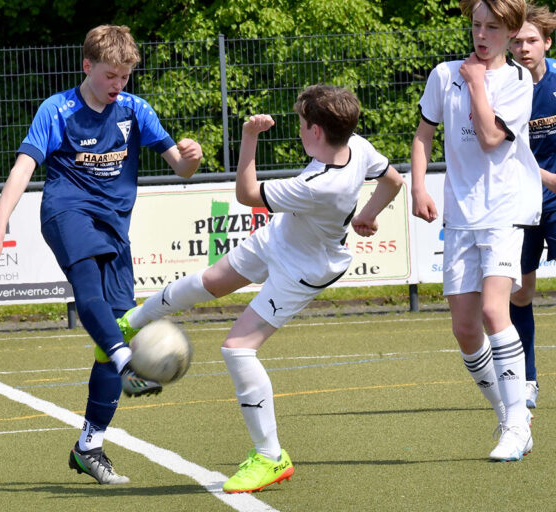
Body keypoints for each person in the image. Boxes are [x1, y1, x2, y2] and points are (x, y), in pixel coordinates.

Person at [118, 85, 404, 493]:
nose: (299, 130)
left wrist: (249, 136)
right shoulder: (356, 145)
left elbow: (246, 194)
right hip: (282, 238)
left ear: (317, 131)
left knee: (237, 347)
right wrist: (368, 216)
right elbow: (392, 180)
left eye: (303, 124)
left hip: (304, 268)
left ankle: (270, 457)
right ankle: (132, 322)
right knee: (210, 281)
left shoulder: (320, 185)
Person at [0, 25, 202, 485]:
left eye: (125, 76)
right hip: (66, 210)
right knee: (92, 298)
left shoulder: (137, 110)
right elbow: (24, 168)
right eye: (110, 76)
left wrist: (192, 157)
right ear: (87, 66)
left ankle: (89, 444)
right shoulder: (56, 109)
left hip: (115, 228)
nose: (118, 85)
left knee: (116, 325)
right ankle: (126, 362)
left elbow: (180, 168)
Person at [411, 0, 539, 461]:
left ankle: (519, 421)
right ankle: (508, 418)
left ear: (510, 32)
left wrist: (479, 83)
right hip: (460, 214)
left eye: (491, 28)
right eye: (475, 25)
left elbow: (489, 138)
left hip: (506, 208)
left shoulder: (519, 79)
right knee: (465, 329)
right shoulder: (444, 74)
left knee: (492, 310)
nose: (480, 35)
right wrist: (418, 187)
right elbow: (424, 135)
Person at [508, 3, 556, 410]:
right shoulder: (505, 85)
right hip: (521, 203)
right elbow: (506, 149)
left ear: (547, 43)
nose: (524, 48)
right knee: (521, 294)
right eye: (517, 41)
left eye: (531, 41)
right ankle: (527, 380)